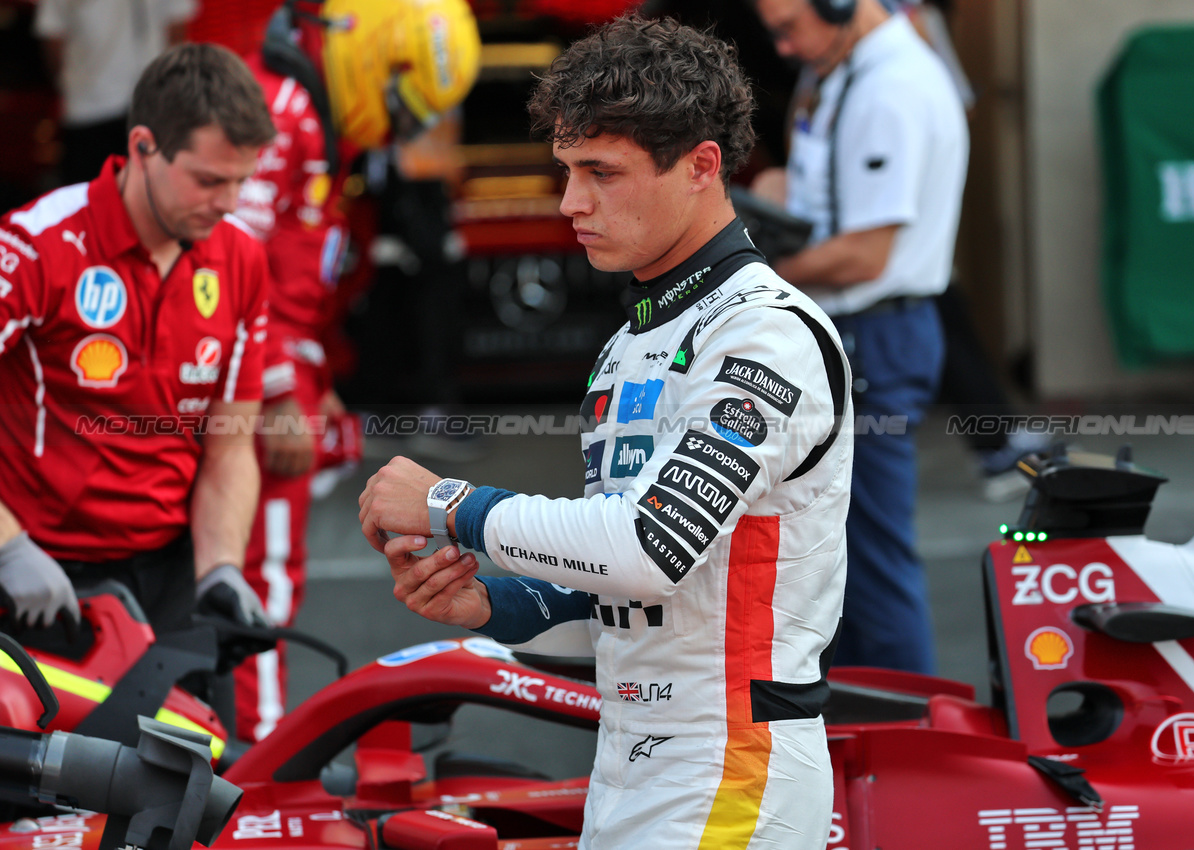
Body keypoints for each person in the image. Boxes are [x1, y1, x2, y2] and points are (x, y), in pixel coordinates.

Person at [359, 15, 852, 849]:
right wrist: (495, 600)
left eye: (601, 173)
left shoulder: (766, 334)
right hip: (630, 763)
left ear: (701, 166)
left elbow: (650, 547)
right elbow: (629, 594)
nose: (570, 202)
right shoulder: (629, 345)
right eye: (566, 170)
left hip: (734, 763)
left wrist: (448, 501)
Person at [230, 0, 481, 742]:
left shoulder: (303, 109)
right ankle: (254, 754)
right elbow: (237, 261)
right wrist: (280, 388)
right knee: (263, 570)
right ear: (383, 58)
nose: (400, 128)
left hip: (268, 362)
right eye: (405, 107)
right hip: (248, 380)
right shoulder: (282, 113)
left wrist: (310, 370)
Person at [0, 44, 275, 645]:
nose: (228, 203)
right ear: (143, 146)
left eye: (240, 181)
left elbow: (229, 446)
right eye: (208, 180)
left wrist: (222, 565)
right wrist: (6, 548)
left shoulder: (242, 259)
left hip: (173, 574)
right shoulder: (35, 245)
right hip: (37, 577)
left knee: (207, 742)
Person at [751, 0, 968, 674]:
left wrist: (745, 276)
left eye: (788, 27)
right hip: (854, 332)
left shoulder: (890, 87)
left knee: (869, 561)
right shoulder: (841, 69)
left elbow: (863, 256)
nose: (783, 47)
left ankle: (906, 739)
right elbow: (810, 187)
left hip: (871, 335)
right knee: (827, 560)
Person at [35, 0, 198, 186]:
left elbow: (177, 29)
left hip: (149, 104)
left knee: (150, 196)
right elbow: (53, 34)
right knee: (90, 198)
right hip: (91, 107)